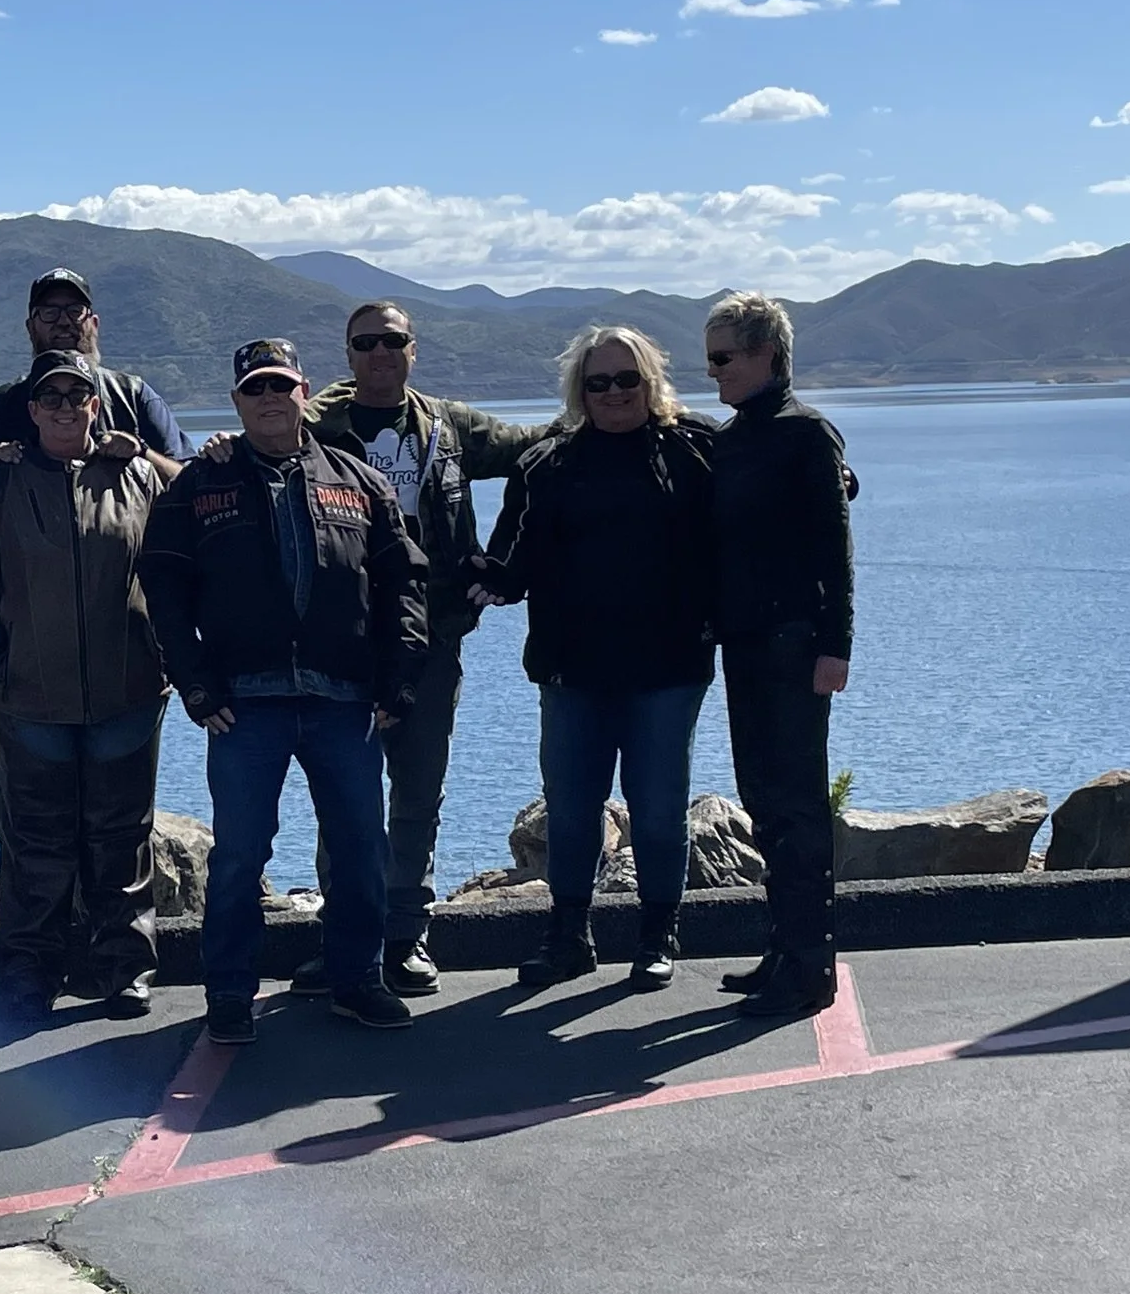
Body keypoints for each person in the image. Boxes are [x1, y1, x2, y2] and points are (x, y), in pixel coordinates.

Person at [141, 339, 429, 1045]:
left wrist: (400, 675)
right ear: (237, 401)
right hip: (245, 702)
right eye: (255, 388)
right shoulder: (200, 484)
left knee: (361, 849)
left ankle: (357, 979)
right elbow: (163, 586)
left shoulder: (360, 481)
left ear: (305, 393)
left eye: (281, 385)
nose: (269, 397)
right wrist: (194, 681)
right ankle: (229, 993)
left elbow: (405, 581)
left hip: (344, 699)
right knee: (240, 855)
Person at [290, 301, 547, 996]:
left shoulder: (448, 426)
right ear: (348, 353)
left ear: (413, 348)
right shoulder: (316, 429)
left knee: (417, 795)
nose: (380, 351)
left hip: (432, 641)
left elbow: (537, 450)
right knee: (343, 799)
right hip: (342, 644)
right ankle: (345, 937)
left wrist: (505, 560)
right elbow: (254, 452)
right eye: (365, 342)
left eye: (392, 340)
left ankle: (405, 935)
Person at [473, 327, 716, 993]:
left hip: (669, 667)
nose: (614, 392)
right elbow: (509, 561)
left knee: (659, 807)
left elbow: (766, 479)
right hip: (570, 669)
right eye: (598, 381)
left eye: (627, 378)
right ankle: (569, 937)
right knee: (572, 808)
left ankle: (658, 934)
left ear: (651, 381)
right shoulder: (547, 463)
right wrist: (473, 579)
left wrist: (828, 476)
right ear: (579, 390)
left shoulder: (696, 448)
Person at [0, 349, 174, 1020]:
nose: (66, 407)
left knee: (122, 836)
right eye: (53, 397)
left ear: (96, 405)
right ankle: (30, 965)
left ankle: (125, 965)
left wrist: (166, 652)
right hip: (29, 696)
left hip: (127, 692)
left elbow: (174, 567)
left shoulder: (137, 477)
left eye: (78, 396)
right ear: (33, 410)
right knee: (33, 840)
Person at [701, 292, 855, 1018]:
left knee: (798, 807)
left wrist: (836, 647)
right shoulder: (732, 438)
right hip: (743, 644)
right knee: (764, 803)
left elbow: (835, 548)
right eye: (710, 359)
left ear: (766, 353)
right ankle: (784, 949)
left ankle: (811, 966)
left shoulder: (806, 432)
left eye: (723, 358)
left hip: (795, 644)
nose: (713, 371)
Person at [0, 268, 189, 517]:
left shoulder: (134, 395)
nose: (64, 321)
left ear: (94, 324)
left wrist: (142, 453)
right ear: (31, 328)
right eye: (49, 313)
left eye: (75, 311)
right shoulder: (0, 406)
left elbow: (191, 484)